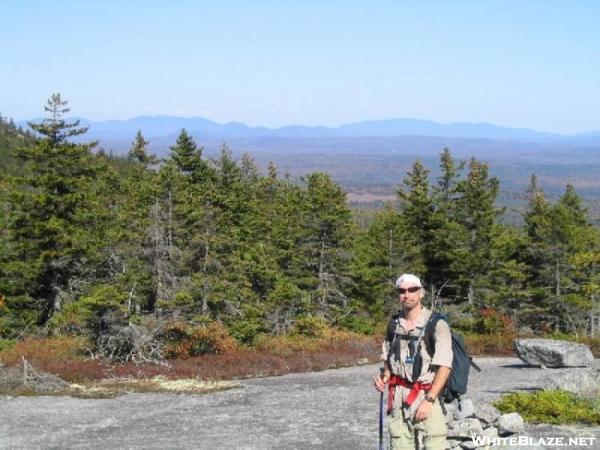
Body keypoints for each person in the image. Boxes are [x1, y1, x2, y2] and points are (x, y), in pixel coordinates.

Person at [373, 273, 453, 450]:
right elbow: (388, 358)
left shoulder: (436, 325)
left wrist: (429, 401)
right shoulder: (394, 324)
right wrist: (384, 376)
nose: (406, 294)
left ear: (421, 293)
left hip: (426, 396)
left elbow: (445, 366)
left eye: (412, 290)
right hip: (398, 399)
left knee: (435, 444)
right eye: (402, 291)